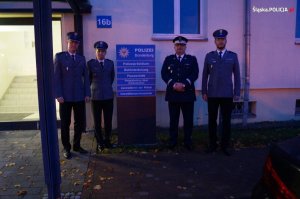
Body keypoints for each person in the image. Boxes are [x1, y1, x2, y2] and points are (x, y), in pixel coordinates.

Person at [201, 29, 241, 156]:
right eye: (218, 39)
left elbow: (238, 75)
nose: (220, 41)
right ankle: (212, 145)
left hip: (227, 94)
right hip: (212, 94)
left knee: (226, 121)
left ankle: (225, 146)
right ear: (215, 41)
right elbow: (204, 75)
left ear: (226, 40)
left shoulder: (233, 56)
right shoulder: (209, 56)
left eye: (222, 39)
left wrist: (237, 92)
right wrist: (204, 91)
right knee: (212, 121)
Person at [54, 32, 91, 159]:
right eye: (71, 42)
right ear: (67, 43)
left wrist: (87, 93)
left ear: (78, 44)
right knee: (65, 123)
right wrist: (58, 94)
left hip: (79, 96)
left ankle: (77, 145)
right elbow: (56, 78)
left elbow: (86, 77)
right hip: (65, 97)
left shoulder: (81, 58)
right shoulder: (60, 57)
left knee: (79, 122)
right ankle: (66, 147)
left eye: (76, 43)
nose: (73, 45)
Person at [161, 36, 199, 150]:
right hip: (173, 94)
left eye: (182, 45)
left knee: (188, 120)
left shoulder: (192, 59)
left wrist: (184, 85)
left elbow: (195, 74)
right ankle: (173, 141)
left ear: (185, 47)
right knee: (173, 119)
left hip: (187, 94)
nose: (179, 47)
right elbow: (164, 74)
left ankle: (188, 141)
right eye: (177, 45)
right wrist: (173, 84)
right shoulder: (169, 59)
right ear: (174, 47)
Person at [87, 41, 115, 152]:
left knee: (108, 121)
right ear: (96, 52)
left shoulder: (110, 63)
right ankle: (99, 143)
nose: (100, 53)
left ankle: (107, 141)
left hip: (108, 96)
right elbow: (88, 80)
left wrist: (106, 87)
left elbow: (111, 78)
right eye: (98, 51)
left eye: (102, 51)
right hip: (95, 97)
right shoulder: (90, 64)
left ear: (105, 52)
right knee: (97, 121)